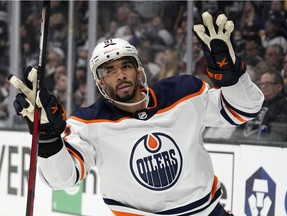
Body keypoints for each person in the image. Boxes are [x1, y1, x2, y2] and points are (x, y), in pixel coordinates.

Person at [8, 12, 264, 216]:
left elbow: (244, 108)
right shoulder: (89, 123)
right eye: (109, 70)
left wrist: (230, 74)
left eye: (126, 65)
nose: (120, 74)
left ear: (138, 69)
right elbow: (62, 179)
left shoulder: (183, 93)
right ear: (100, 82)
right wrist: (47, 139)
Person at [242, 70, 287, 141]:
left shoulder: (284, 105)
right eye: (261, 84)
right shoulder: (254, 103)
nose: (263, 87)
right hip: (241, 144)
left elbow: (278, 133)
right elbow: (240, 126)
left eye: (268, 84)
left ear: (279, 87)